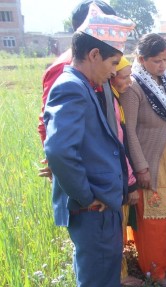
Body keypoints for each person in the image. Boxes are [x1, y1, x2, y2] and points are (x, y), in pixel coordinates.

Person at [43, 10, 152, 287]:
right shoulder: (70, 86)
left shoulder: (91, 85)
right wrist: (84, 194)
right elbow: (59, 150)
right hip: (91, 207)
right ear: (92, 56)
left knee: (107, 279)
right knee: (96, 283)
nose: (113, 71)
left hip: (103, 204)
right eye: (110, 62)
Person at [121, 33, 166, 287]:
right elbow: (130, 134)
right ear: (141, 60)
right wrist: (141, 168)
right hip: (152, 163)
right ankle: (156, 269)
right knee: (154, 223)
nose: (162, 66)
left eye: (165, 60)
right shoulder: (134, 88)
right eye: (156, 61)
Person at [37, 0, 117, 178]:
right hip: (86, 174)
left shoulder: (102, 61)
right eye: (109, 27)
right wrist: (65, 172)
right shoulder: (66, 69)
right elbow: (50, 126)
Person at [109, 56, 144, 287]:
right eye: (125, 76)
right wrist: (131, 183)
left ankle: (119, 275)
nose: (129, 82)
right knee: (115, 232)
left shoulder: (115, 98)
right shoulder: (108, 101)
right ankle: (118, 279)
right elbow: (119, 145)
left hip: (121, 176)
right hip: (118, 178)